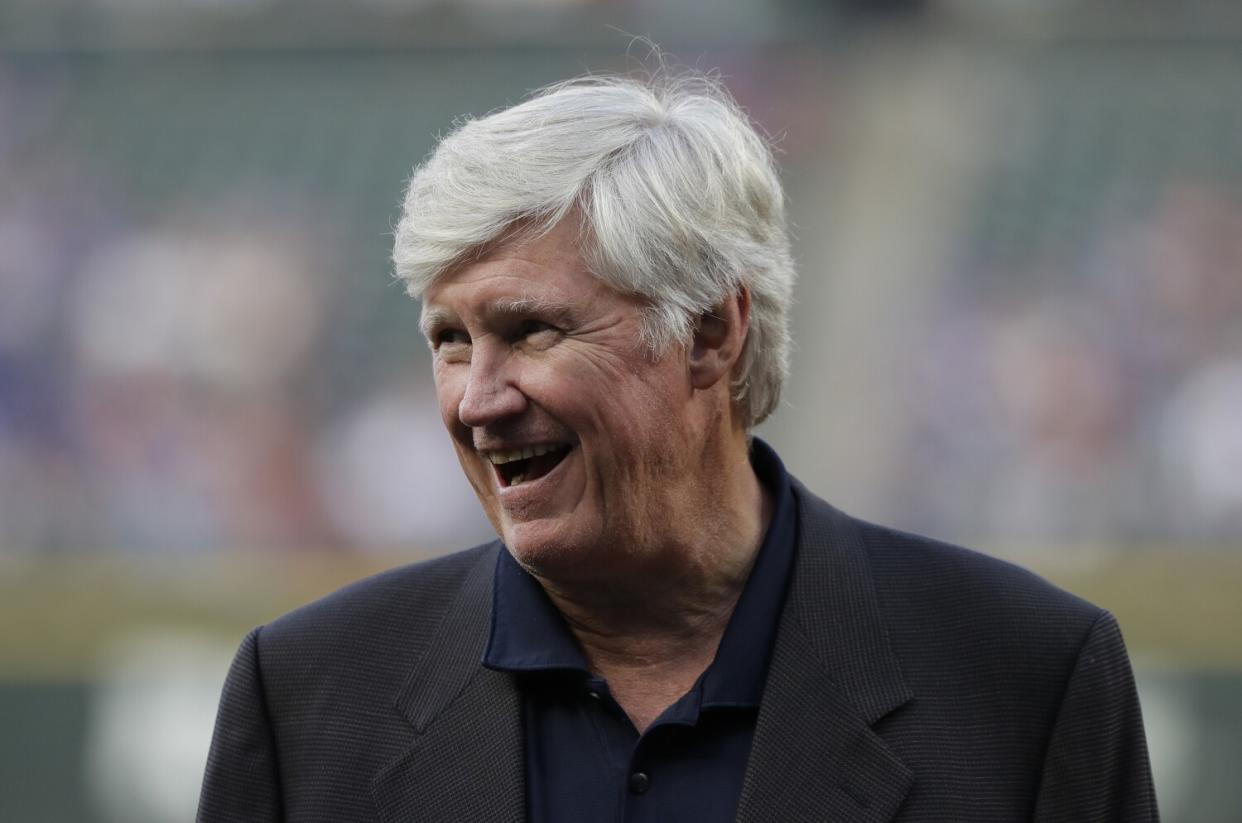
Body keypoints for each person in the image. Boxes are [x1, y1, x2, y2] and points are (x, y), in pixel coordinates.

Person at [198, 72, 1159, 822]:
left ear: (709, 332)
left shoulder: (1024, 678)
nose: (476, 401)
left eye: (530, 329)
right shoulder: (307, 699)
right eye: (450, 339)